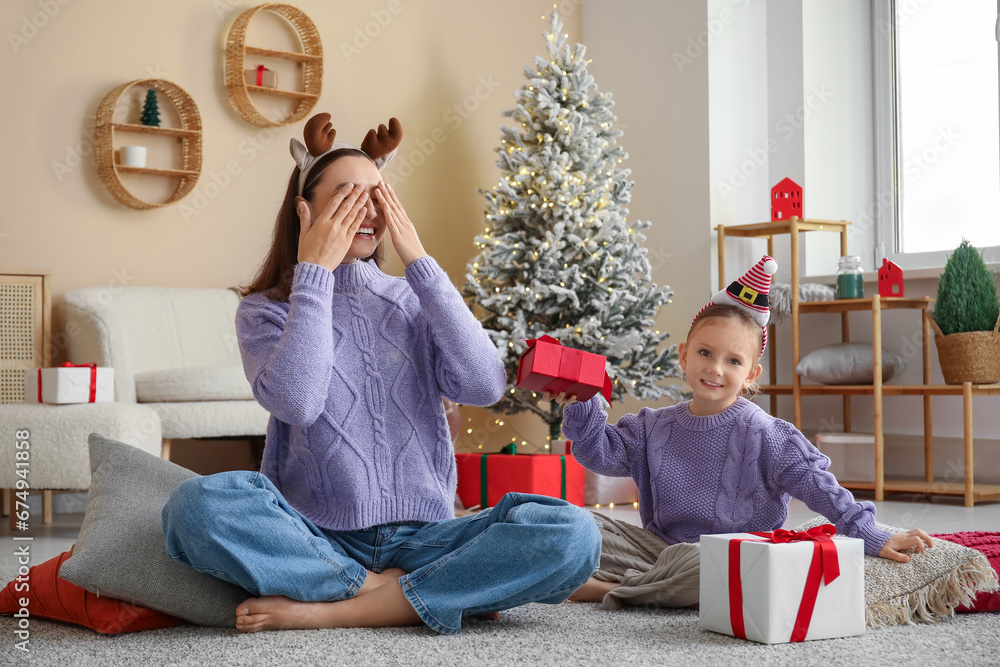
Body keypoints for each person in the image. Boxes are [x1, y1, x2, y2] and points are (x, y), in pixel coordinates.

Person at [161, 113, 600, 634]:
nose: (365, 212)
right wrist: (315, 274)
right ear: (305, 209)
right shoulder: (266, 311)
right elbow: (298, 402)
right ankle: (393, 591)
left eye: (376, 196)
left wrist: (420, 261)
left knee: (574, 533)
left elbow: (484, 384)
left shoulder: (414, 298)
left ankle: (343, 607)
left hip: (427, 539)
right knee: (195, 508)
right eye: (346, 196)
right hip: (316, 533)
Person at [552, 255, 933, 609]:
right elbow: (597, 454)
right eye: (704, 353)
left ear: (751, 374)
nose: (715, 368)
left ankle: (616, 589)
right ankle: (647, 584)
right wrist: (582, 404)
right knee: (574, 523)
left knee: (724, 569)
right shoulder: (652, 426)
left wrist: (872, 533)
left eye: (733, 360)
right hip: (657, 550)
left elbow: (822, 489)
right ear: (684, 355)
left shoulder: (768, 434)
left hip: (732, 556)